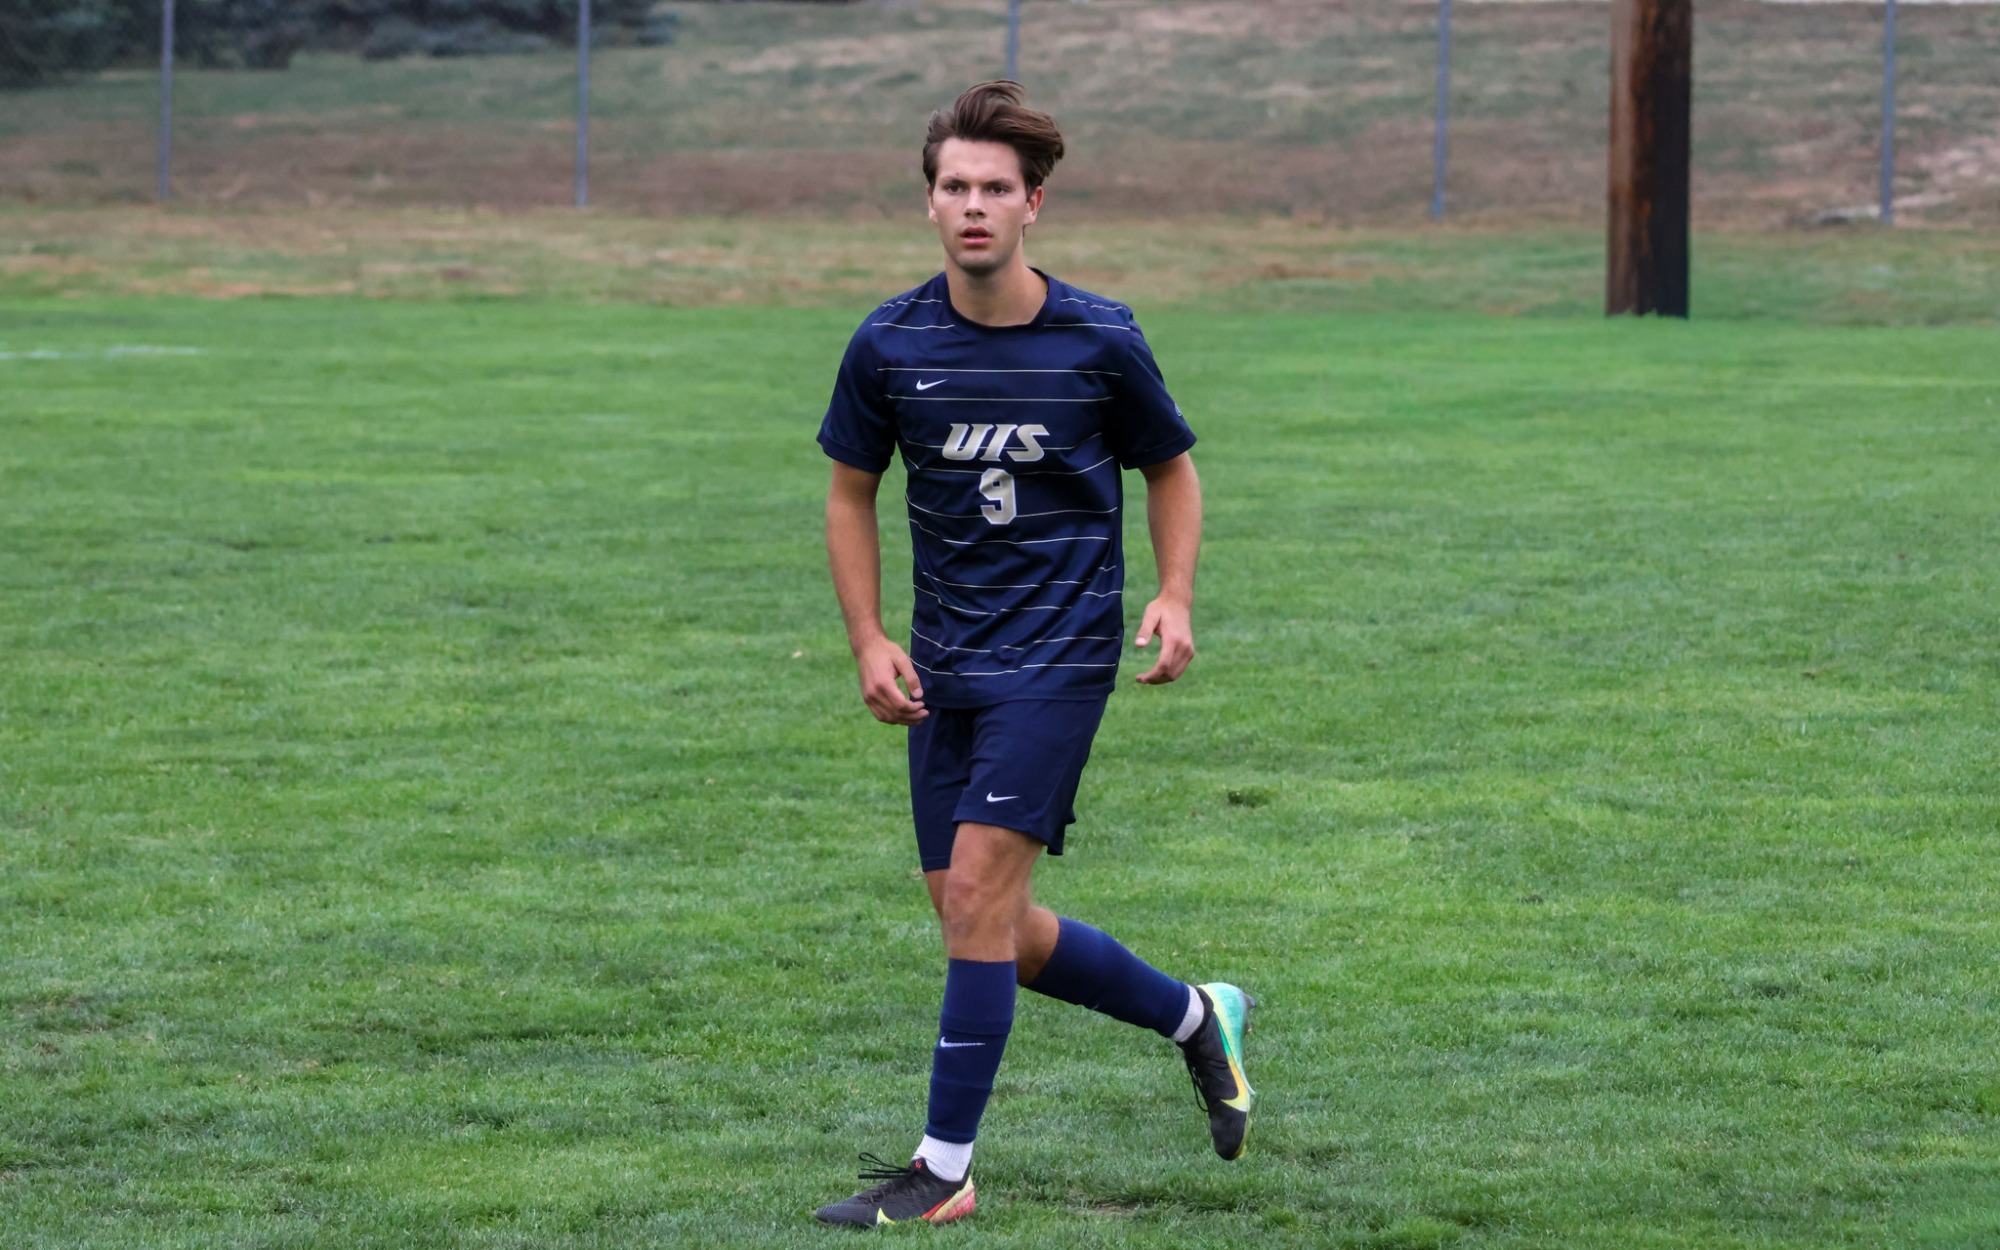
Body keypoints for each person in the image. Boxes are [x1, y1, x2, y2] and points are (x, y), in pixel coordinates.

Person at [813, 80, 1255, 1229]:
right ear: (928, 205)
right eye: (953, 187)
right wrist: (866, 636)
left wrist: (1172, 593)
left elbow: (1171, 466)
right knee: (987, 930)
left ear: (1032, 204)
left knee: (974, 897)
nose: (973, 206)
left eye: (993, 189)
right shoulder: (889, 342)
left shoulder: (1099, 337)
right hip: (942, 664)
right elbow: (849, 493)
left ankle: (943, 1168)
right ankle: (1196, 1017)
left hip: (1057, 656)